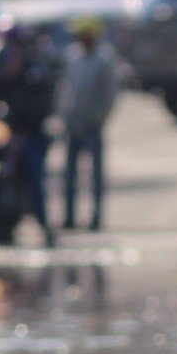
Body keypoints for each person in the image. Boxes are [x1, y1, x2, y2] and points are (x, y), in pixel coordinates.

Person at [0, 26, 57, 245]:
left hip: (22, 137)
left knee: (34, 171)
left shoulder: (32, 76)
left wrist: (21, 119)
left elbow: (40, 109)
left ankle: (44, 226)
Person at [55, 16, 119, 232]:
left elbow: (109, 94)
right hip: (73, 123)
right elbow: (66, 89)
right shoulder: (73, 56)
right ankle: (69, 216)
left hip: (93, 124)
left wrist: (97, 118)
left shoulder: (104, 60)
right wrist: (63, 116)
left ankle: (96, 217)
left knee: (95, 175)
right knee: (69, 174)